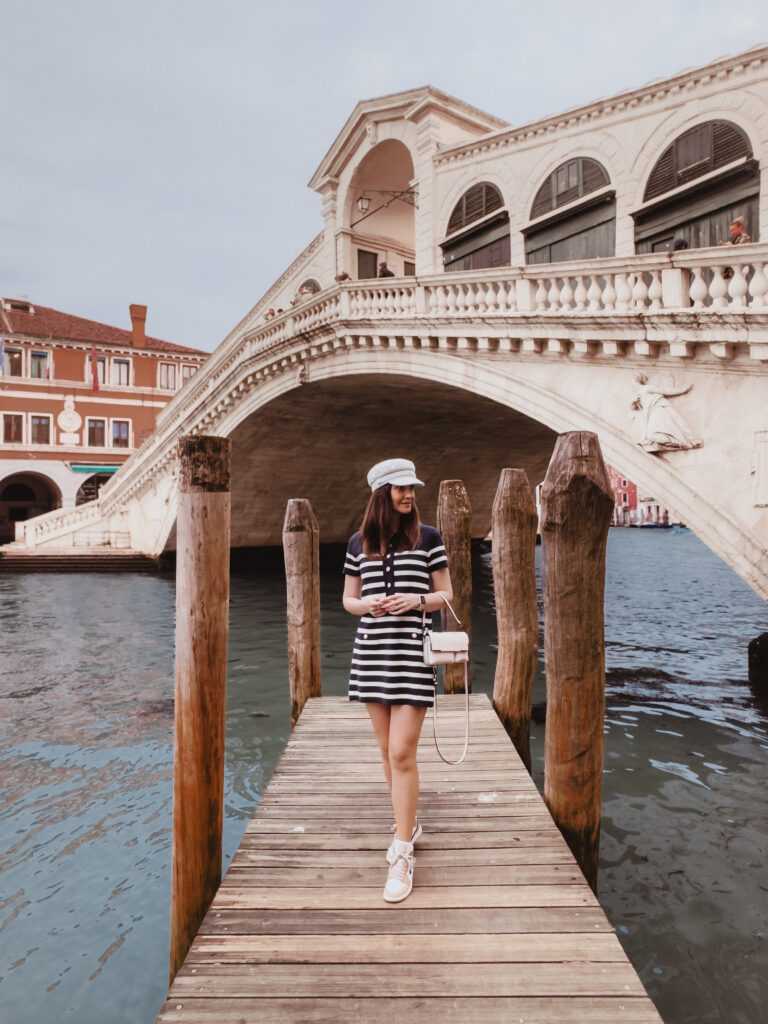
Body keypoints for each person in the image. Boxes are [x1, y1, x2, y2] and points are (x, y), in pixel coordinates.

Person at [342, 458, 453, 903]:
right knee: (387, 752)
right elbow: (348, 600)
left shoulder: (428, 538)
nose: (410, 495)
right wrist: (369, 605)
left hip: (412, 652)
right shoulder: (357, 543)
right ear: (381, 494)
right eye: (401, 489)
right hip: (371, 652)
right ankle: (407, 820)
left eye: (412, 489)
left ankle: (402, 852)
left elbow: (448, 593)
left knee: (402, 751)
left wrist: (417, 599)